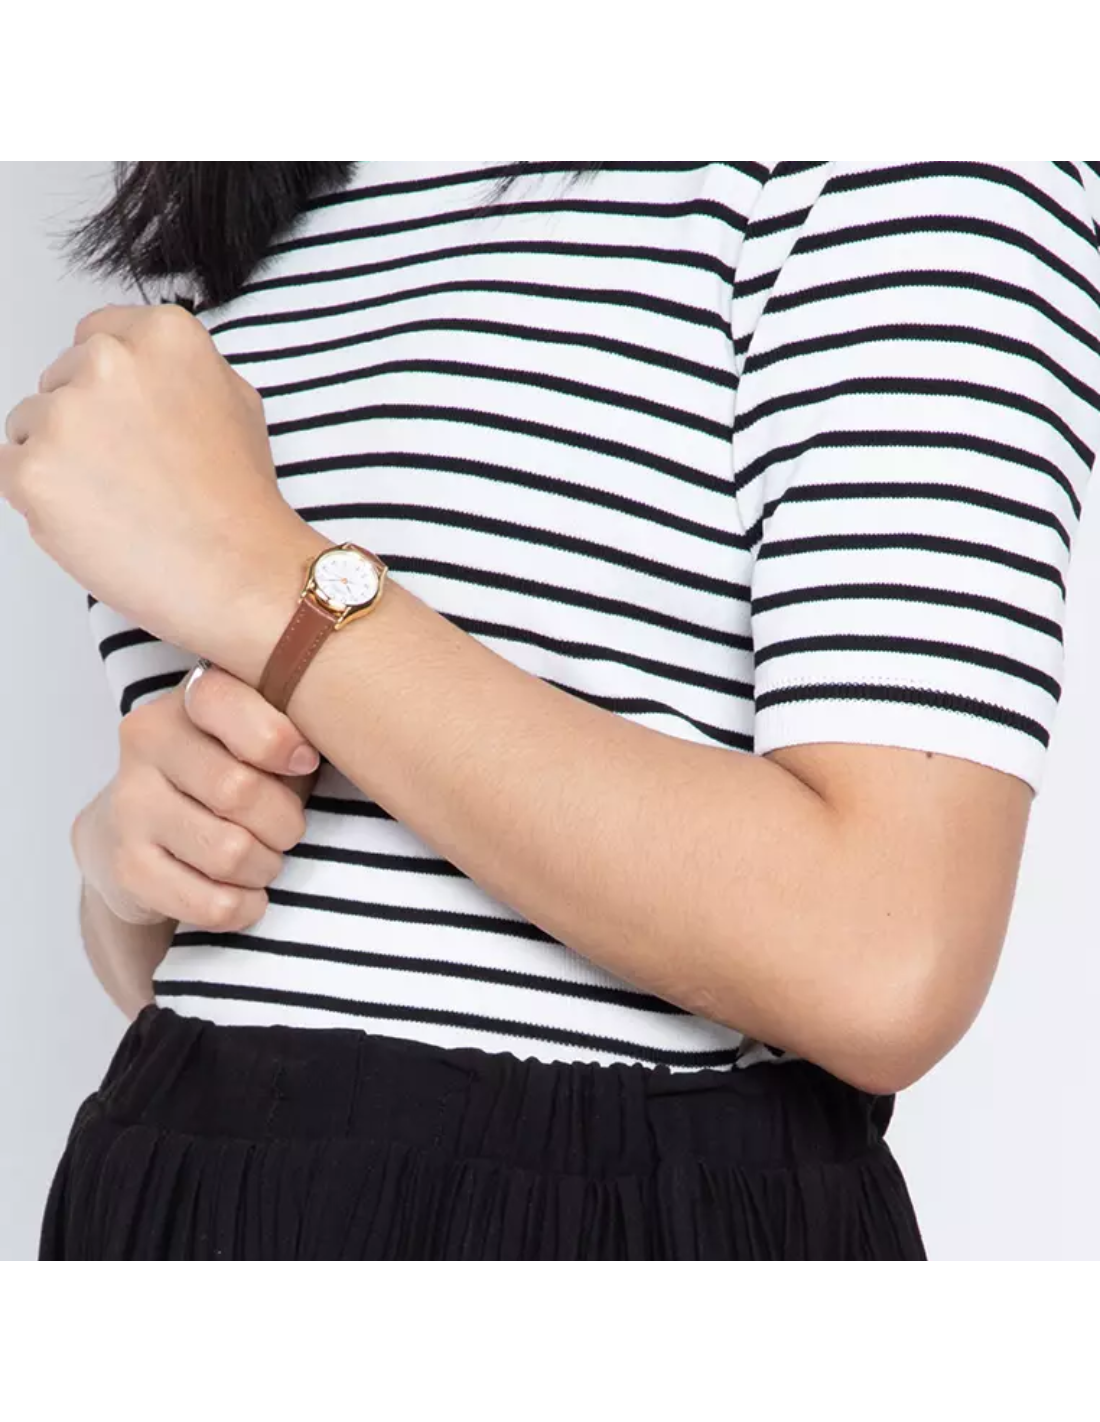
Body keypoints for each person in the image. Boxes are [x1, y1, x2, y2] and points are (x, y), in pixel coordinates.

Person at [7, 160, 1097, 1260]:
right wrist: (125, 876)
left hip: (607, 1228)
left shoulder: (886, 164)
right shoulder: (261, 196)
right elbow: (278, 950)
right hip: (170, 1192)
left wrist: (274, 584)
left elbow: (882, 956)